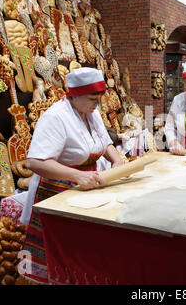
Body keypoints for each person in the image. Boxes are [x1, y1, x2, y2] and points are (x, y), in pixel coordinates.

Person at [19, 67, 124, 284]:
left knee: (82, 250)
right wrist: (77, 175)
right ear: (74, 95)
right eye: (93, 98)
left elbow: (105, 142)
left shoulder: (90, 113)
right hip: (56, 190)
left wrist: (117, 160)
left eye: (99, 97)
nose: (98, 103)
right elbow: (34, 162)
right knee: (59, 252)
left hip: (84, 188)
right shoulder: (56, 117)